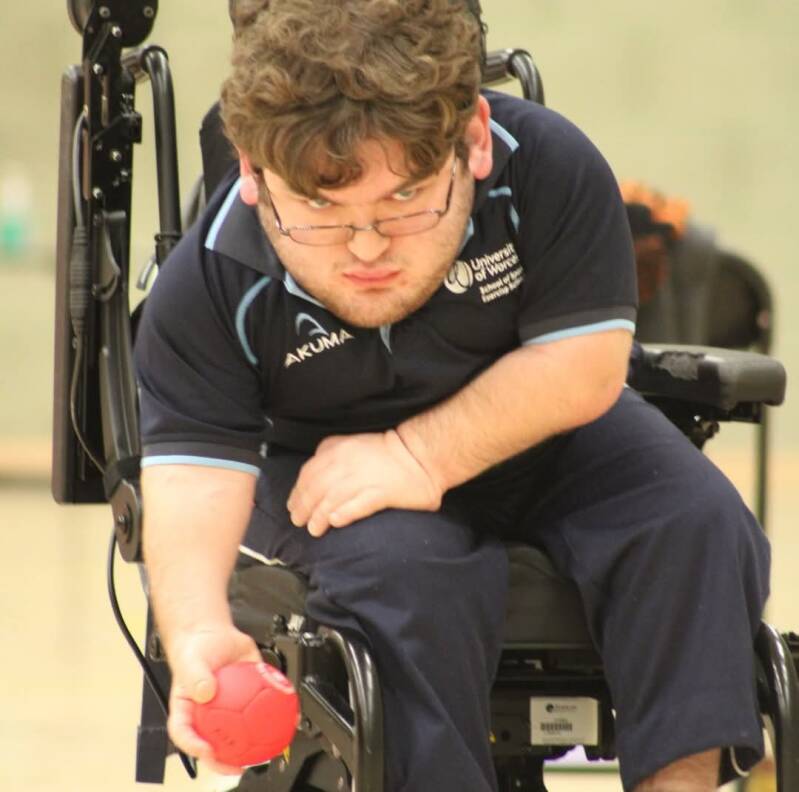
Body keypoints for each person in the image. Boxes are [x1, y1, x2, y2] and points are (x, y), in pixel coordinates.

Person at [133, 1, 770, 790]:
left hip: (542, 421)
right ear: (255, 176)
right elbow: (192, 474)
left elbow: (584, 364)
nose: (367, 247)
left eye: (405, 199)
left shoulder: (546, 167)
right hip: (323, 466)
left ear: (472, 141)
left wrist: (418, 454)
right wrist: (197, 634)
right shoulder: (209, 279)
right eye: (321, 210)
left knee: (694, 519)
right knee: (409, 576)